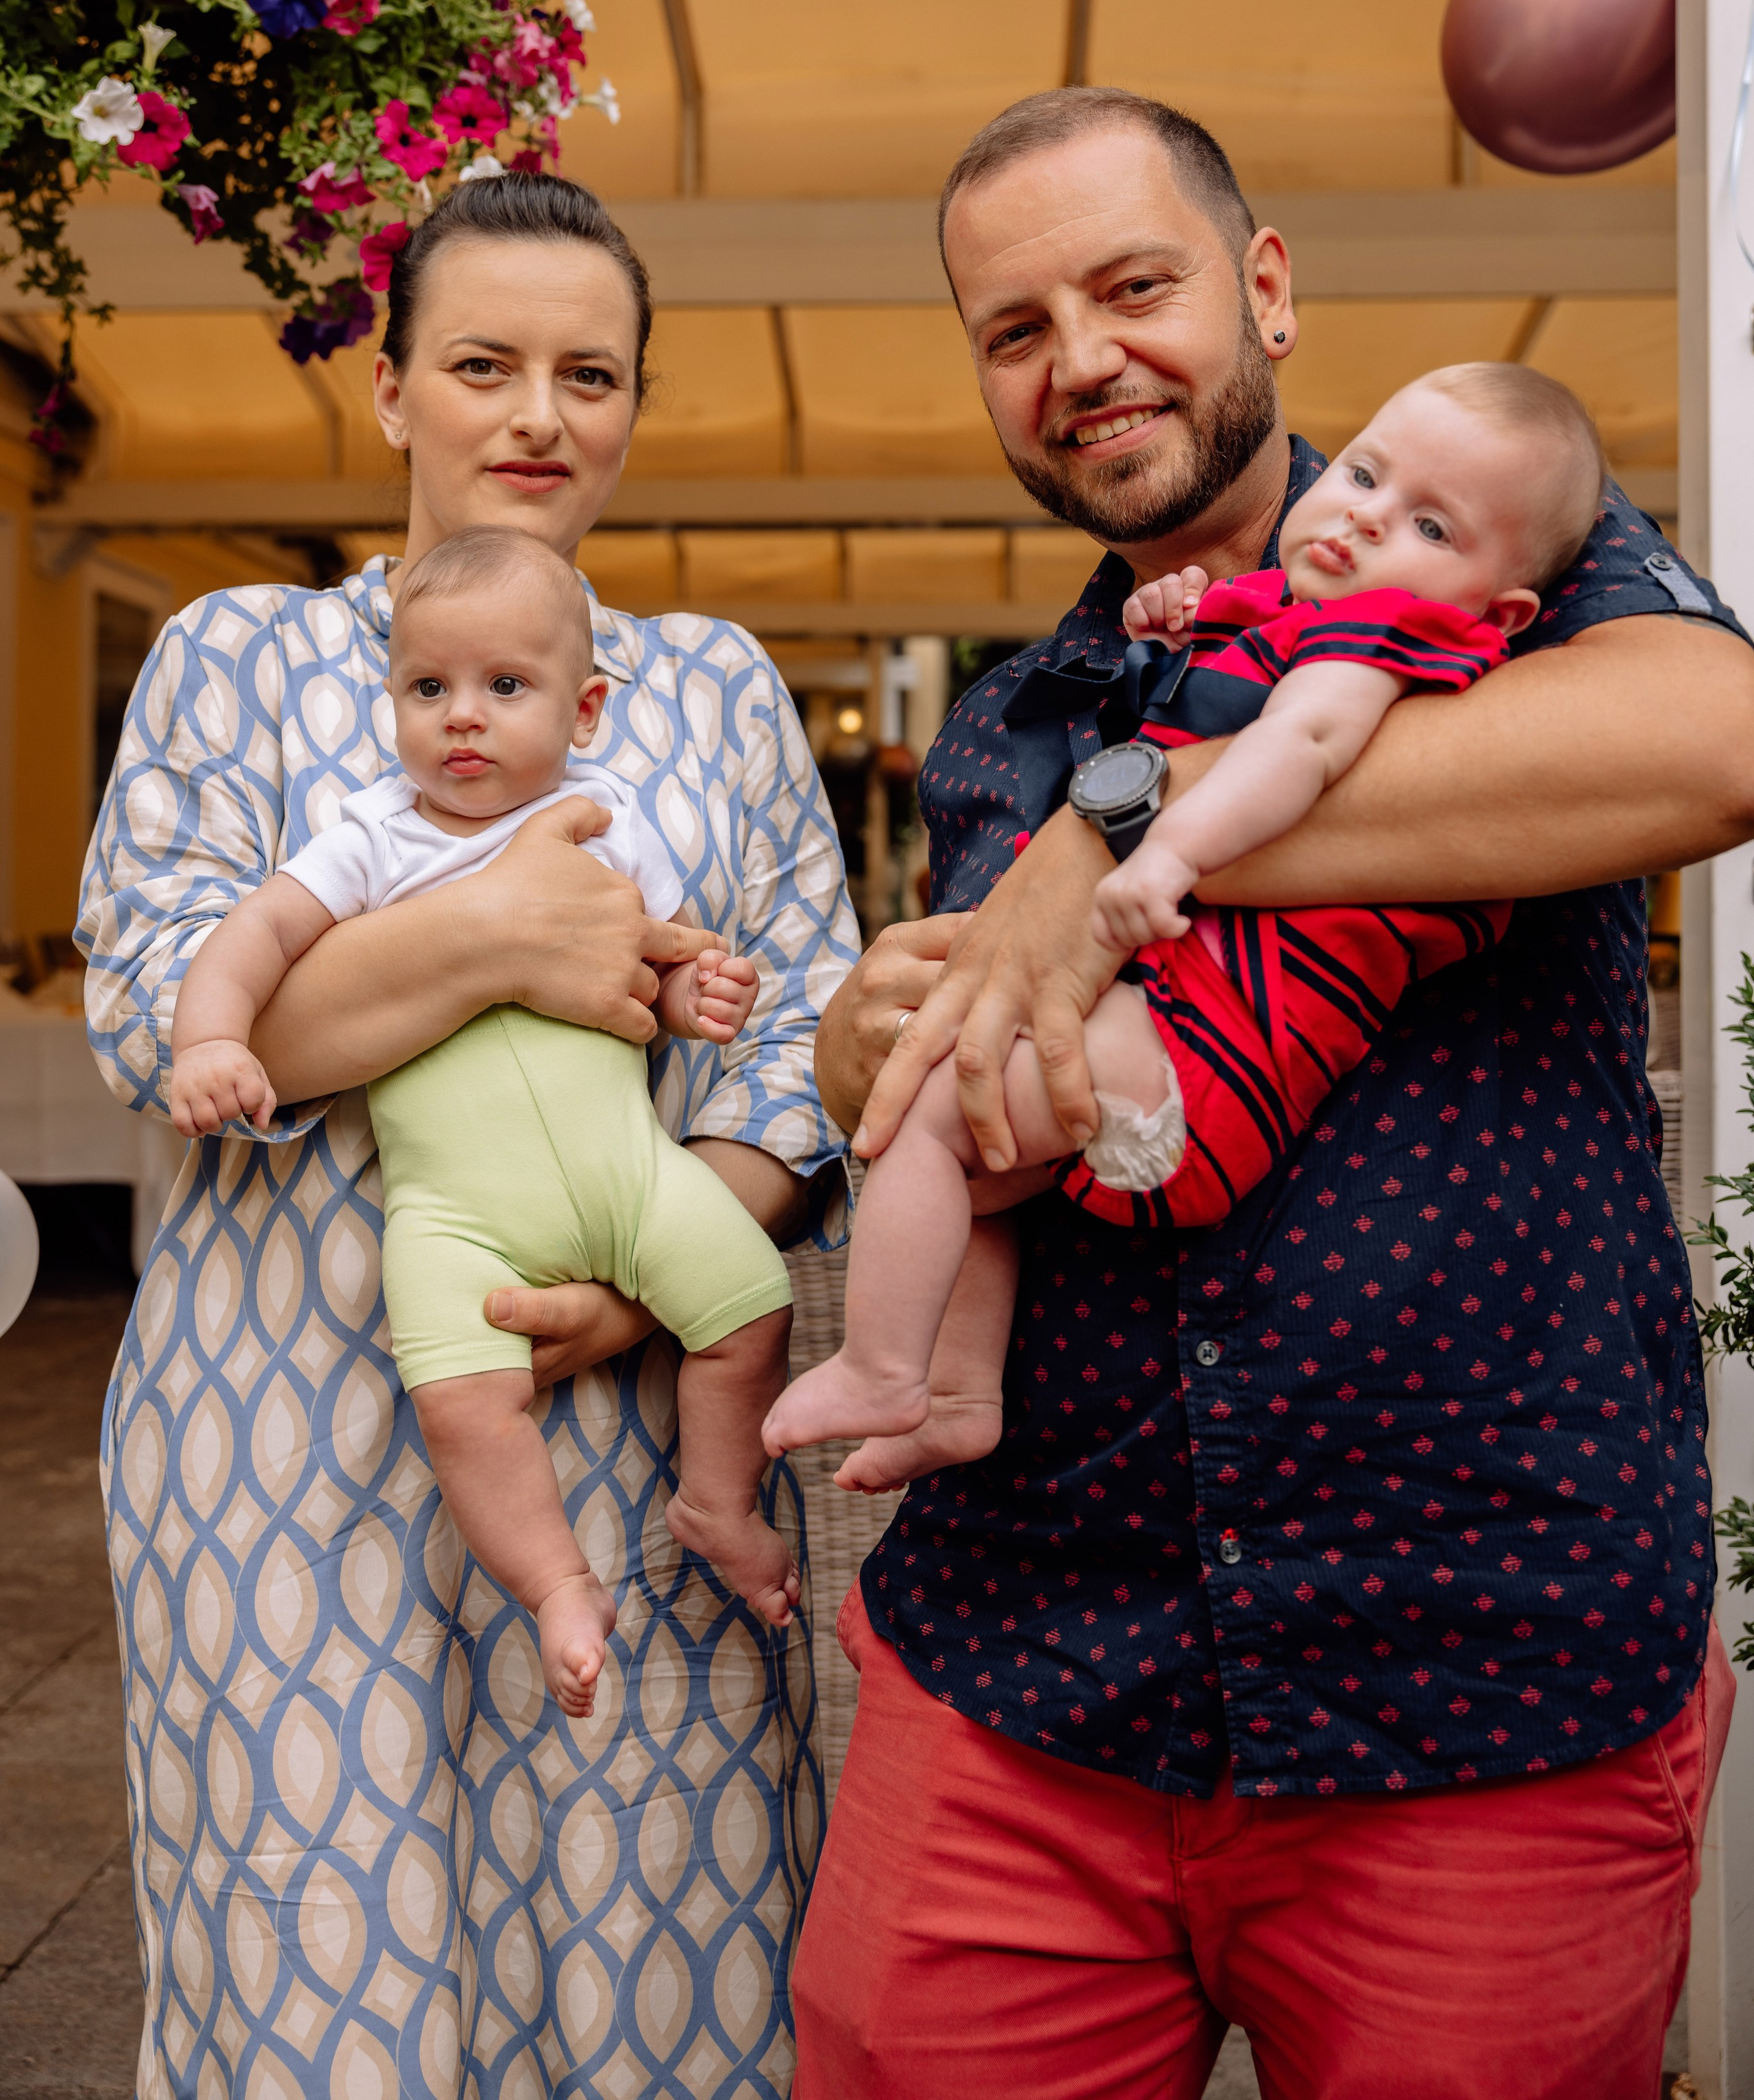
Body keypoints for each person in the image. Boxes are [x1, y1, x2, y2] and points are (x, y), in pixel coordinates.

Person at [792, 86, 1751, 2100]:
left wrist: (1113, 842)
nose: (1083, 360)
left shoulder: (1504, 540)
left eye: (1133, 285)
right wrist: (858, 1042)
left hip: (1484, 1661)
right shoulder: (1008, 715)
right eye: (1015, 326)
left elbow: (1712, 730)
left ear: (1266, 287)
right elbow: (953, 1034)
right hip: (1022, 1674)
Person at [79, 173, 859, 2100]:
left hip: (623, 1429)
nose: (537, 414)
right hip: (277, 1426)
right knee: (312, 1951)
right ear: (393, 387)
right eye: (484, 362)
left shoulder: (713, 689)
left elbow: (801, 1060)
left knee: (655, 1953)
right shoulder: (238, 653)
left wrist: (645, 1271)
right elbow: (157, 1013)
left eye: (588, 373)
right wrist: (493, 933)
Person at [766, 364, 1600, 1490]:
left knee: (933, 1114)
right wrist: (1181, 619)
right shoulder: (1303, 619)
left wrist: (1161, 846)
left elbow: (1294, 748)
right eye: (1362, 472)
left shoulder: (1385, 644)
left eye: (1430, 523)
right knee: (972, 1159)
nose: (1364, 513)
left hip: (1198, 1069)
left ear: (1497, 607)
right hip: (1193, 1061)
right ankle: (956, 1392)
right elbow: (1234, 669)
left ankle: (883, 1365)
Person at [168, 523, 800, 1714]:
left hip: (631, 1173)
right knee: (462, 1405)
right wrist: (211, 1037)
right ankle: (555, 1578)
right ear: (392, 699)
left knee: (748, 1310)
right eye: (428, 686)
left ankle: (719, 1497)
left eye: (505, 686)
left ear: (584, 709)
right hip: (454, 1214)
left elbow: (650, 966)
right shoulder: (375, 837)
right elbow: (250, 935)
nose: (462, 715)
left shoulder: (611, 824)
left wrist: (693, 994)